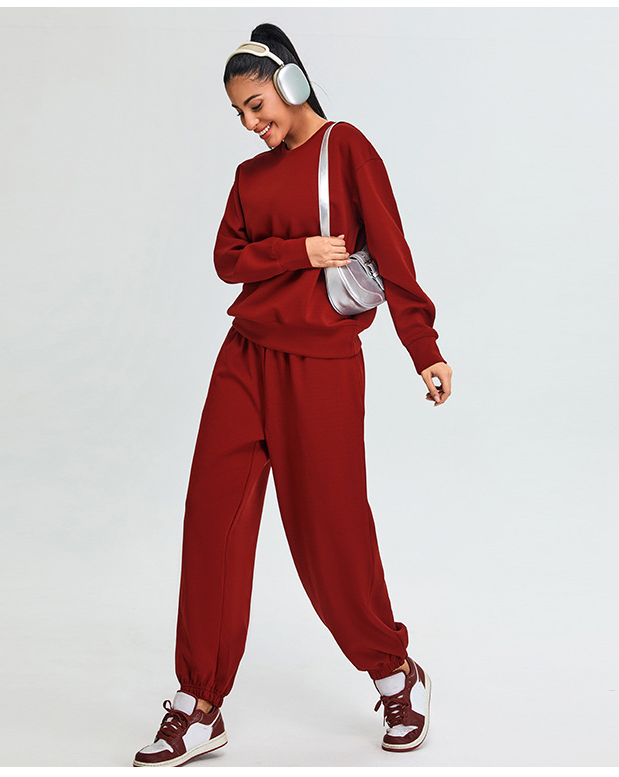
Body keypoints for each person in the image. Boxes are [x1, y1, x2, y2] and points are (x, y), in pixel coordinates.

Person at [133, 22, 453, 768]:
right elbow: (227, 260)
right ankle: (199, 703)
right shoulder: (250, 178)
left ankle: (394, 673)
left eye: (256, 104)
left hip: (323, 365)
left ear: (291, 83)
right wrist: (299, 252)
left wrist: (424, 348)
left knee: (328, 531)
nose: (250, 123)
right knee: (210, 522)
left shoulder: (347, 149)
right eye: (239, 114)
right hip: (244, 357)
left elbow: (393, 252)